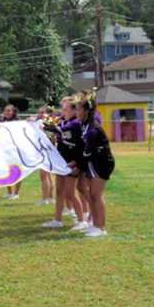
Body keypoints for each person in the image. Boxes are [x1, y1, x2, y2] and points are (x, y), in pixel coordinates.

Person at [42, 98, 86, 230]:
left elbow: (59, 129)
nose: (63, 111)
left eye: (66, 109)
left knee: (70, 193)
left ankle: (82, 221)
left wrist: (44, 124)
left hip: (73, 163)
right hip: (62, 162)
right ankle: (57, 220)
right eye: (63, 109)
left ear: (74, 110)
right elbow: (58, 134)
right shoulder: (65, 121)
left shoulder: (75, 123)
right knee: (59, 191)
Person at [77, 91, 115, 237]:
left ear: (87, 111)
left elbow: (89, 151)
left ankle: (101, 228)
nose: (77, 111)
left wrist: (79, 163)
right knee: (92, 195)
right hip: (94, 162)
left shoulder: (92, 128)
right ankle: (95, 225)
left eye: (79, 109)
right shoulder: (85, 125)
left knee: (96, 195)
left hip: (102, 163)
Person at [0, 104, 22, 200]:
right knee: (6, 170)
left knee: (17, 170)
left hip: (15, 149)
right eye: (6, 110)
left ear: (13, 112)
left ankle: (16, 193)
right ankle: (9, 192)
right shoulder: (0, 122)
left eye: (9, 110)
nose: (7, 112)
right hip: (5, 149)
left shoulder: (17, 122)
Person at [35, 105, 56, 205]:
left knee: (43, 176)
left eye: (42, 112)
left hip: (45, 150)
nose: (39, 114)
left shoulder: (44, 123)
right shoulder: (50, 122)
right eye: (39, 112)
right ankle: (50, 197)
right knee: (48, 175)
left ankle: (45, 198)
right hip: (49, 150)